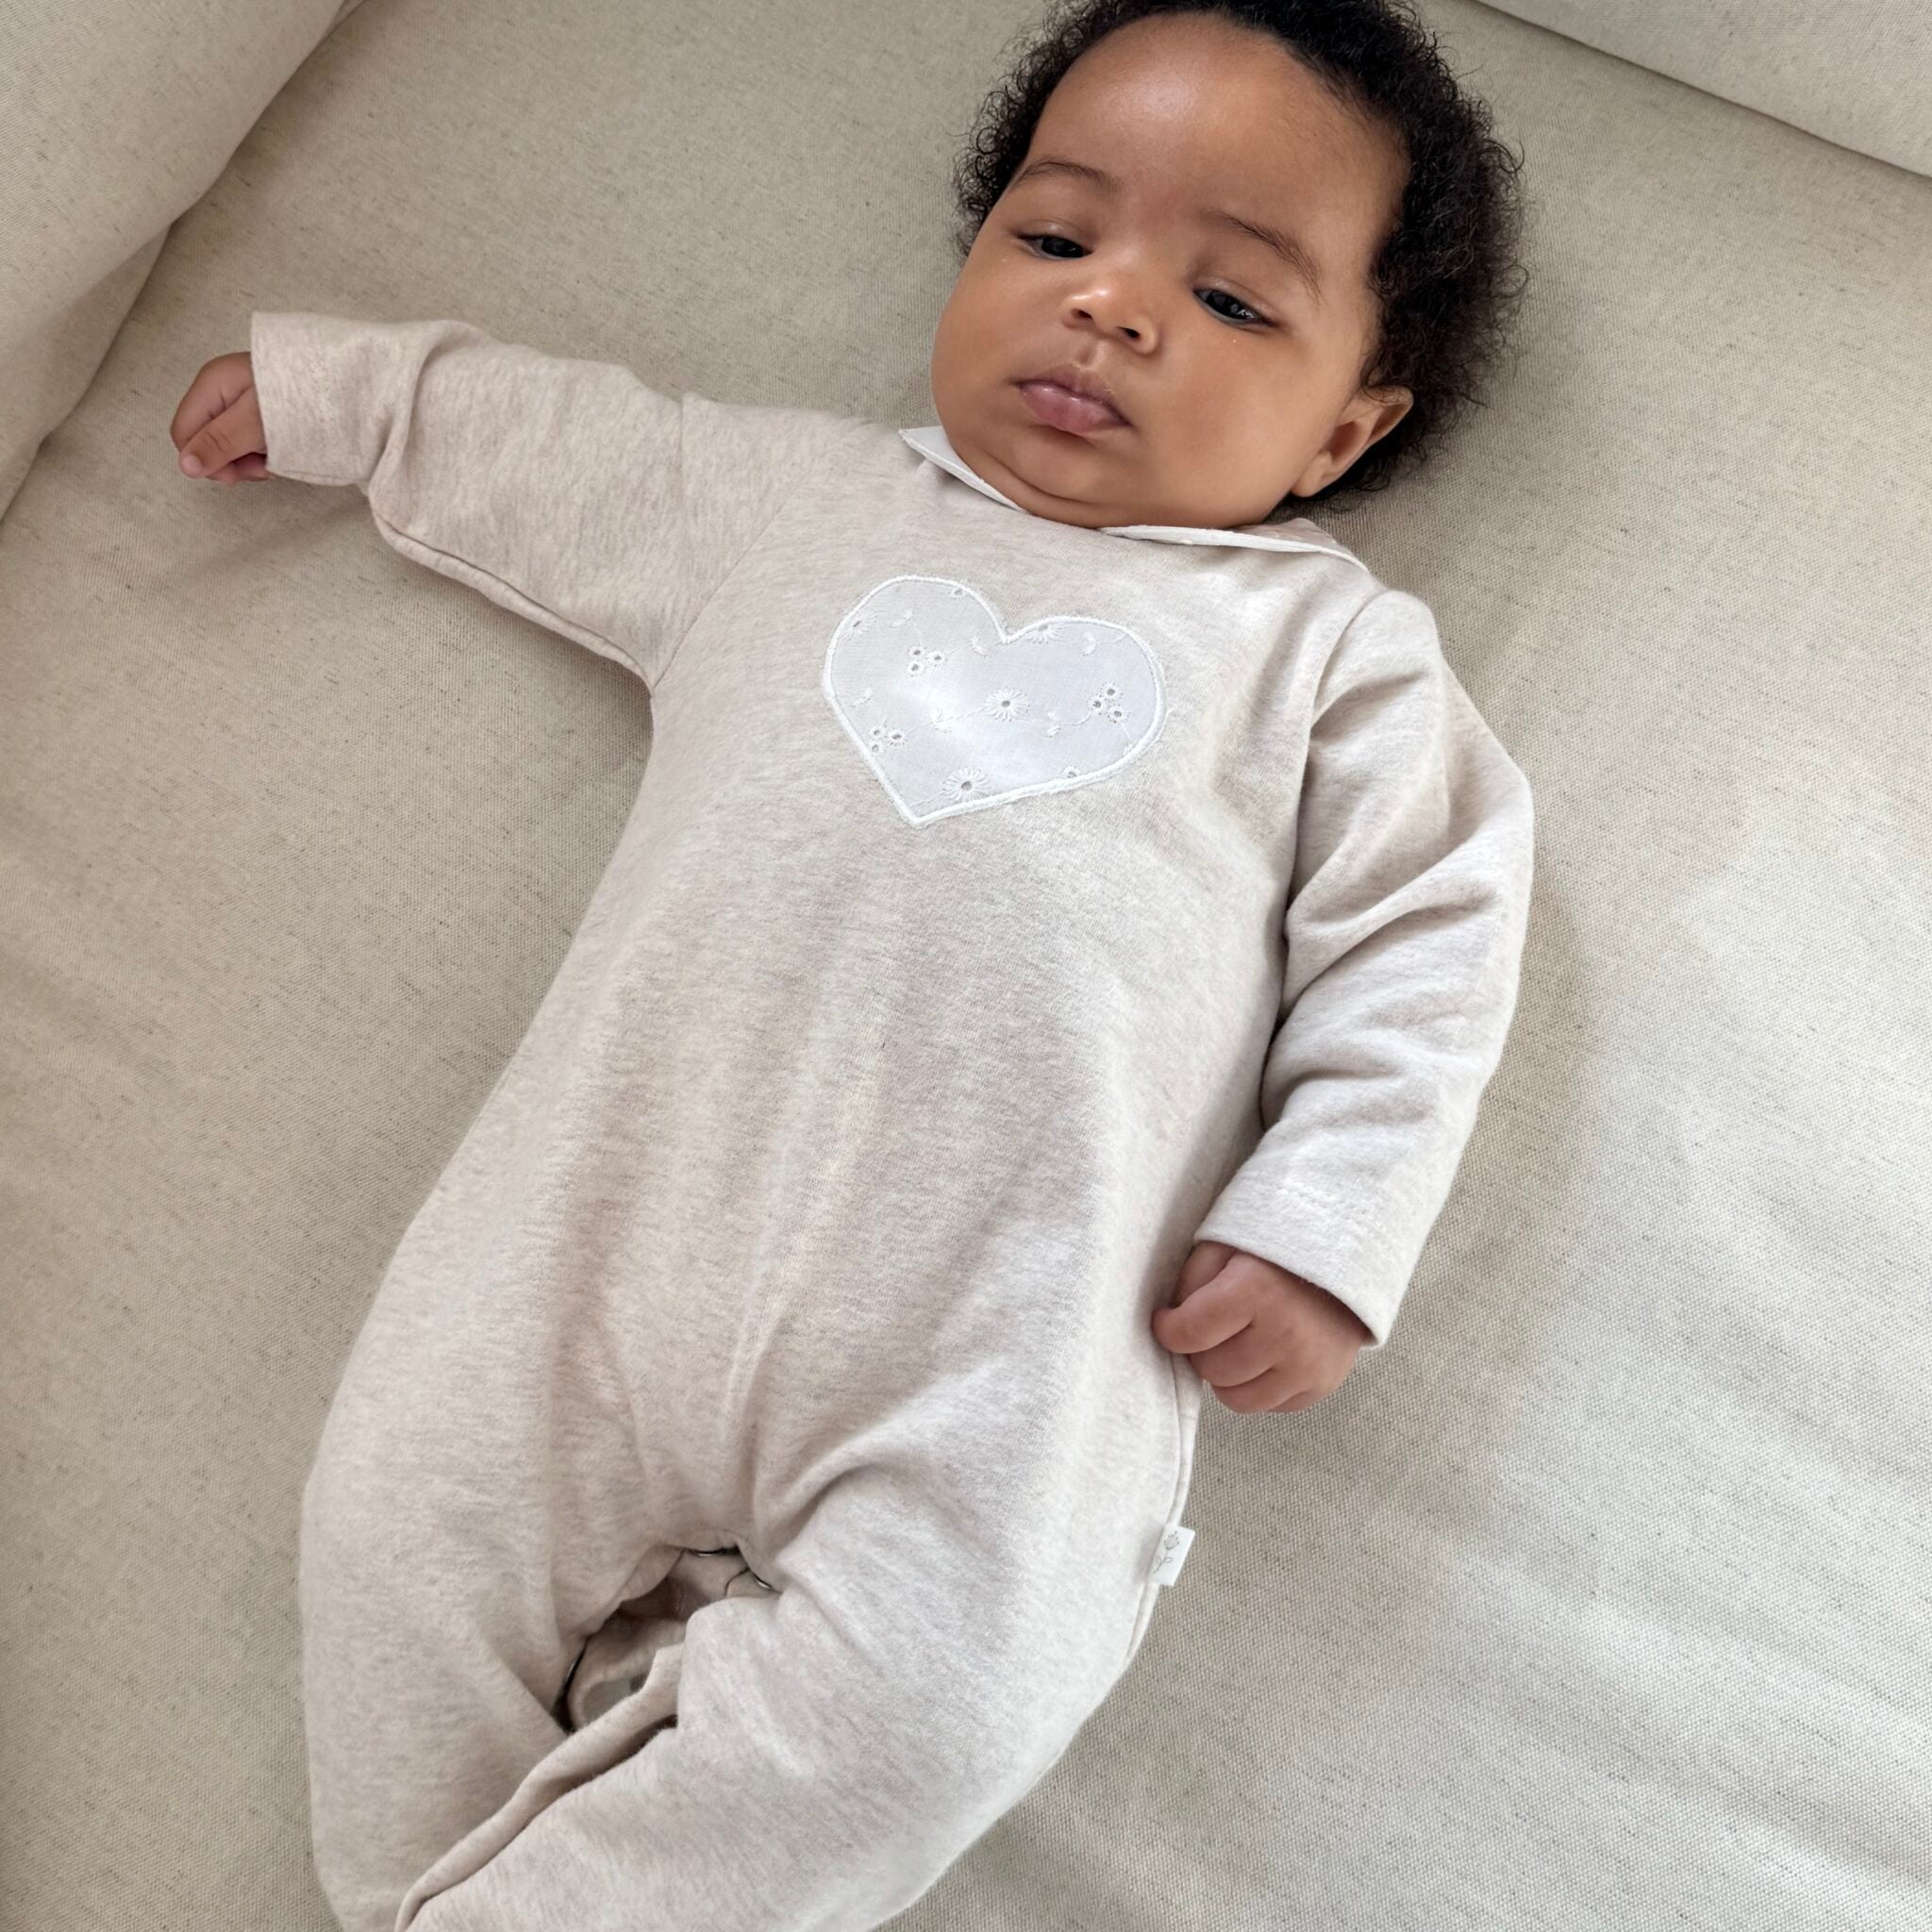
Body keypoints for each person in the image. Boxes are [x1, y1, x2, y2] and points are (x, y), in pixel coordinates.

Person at [168, 4, 1535, 1927]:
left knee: (931, 1712)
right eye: (1054, 237)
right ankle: (414, 1892)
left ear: (1344, 428)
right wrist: (350, 396)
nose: (1112, 305)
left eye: (1230, 299)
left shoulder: (1324, 660)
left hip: (996, 1345)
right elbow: (569, 448)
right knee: (397, 1529)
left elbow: (1431, 934)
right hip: (594, 1249)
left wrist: (1326, 1224)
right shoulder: (803, 505)